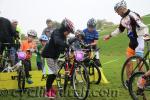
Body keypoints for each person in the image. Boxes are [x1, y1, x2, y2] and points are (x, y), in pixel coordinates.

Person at [103, 0, 149, 82]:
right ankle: (129, 81)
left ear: (121, 8)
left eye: (117, 11)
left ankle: (144, 81)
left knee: (140, 63)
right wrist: (109, 36)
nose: (117, 13)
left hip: (139, 40)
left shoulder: (133, 15)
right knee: (128, 62)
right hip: (132, 43)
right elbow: (120, 29)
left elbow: (144, 26)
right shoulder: (123, 19)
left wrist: (146, 35)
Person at [42, 18, 74, 98]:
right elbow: (57, 42)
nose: (69, 33)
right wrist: (66, 45)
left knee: (54, 74)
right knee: (53, 73)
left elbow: (63, 46)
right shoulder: (56, 32)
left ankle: (48, 88)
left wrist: (70, 45)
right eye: (68, 31)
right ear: (64, 28)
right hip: (48, 55)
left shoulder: (63, 36)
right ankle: (48, 91)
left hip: (54, 56)